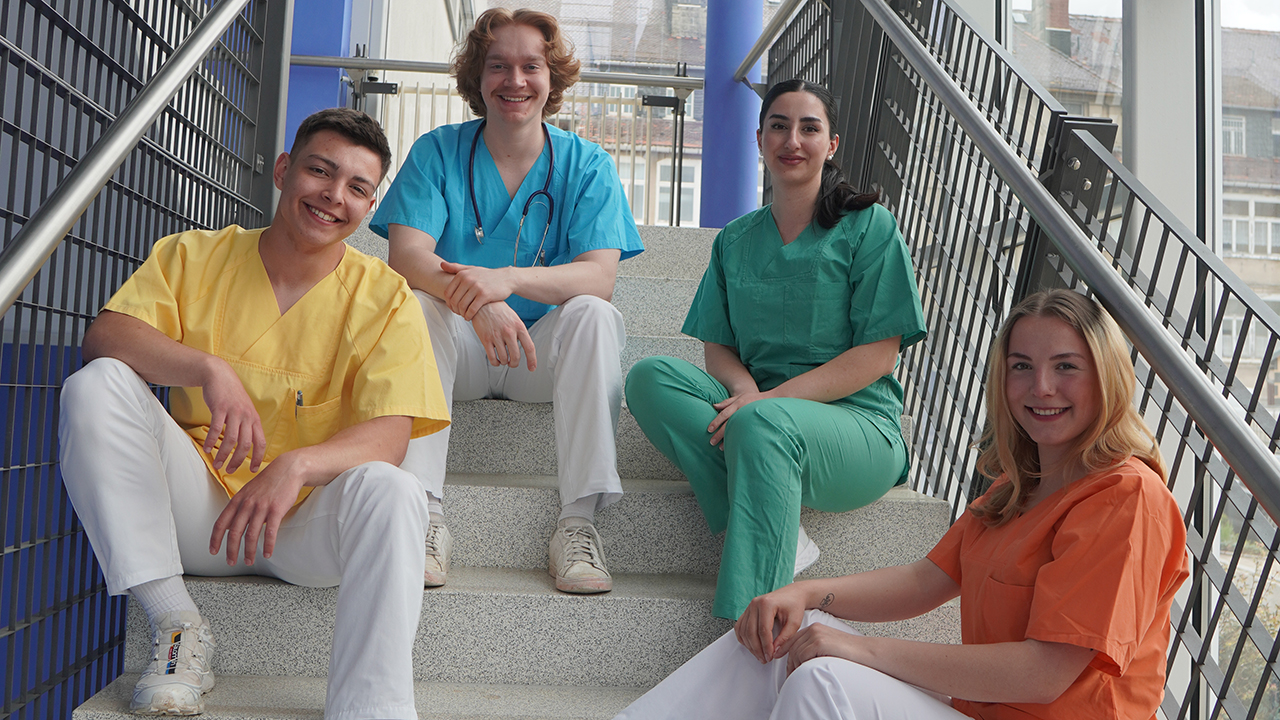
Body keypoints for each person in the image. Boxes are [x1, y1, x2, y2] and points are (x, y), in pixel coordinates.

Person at [615, 289, 1191, 720]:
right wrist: (803, 593)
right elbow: (925, 579)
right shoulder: (1016, 490)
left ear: (1107, 377)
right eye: (1022, 366)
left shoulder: (1126, 497)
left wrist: (860, 649)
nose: (1041, 387)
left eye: (1066, 366)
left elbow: (1044, 673)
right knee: (790, 626)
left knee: (826, 681)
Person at [58, 108, 450, 718]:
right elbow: (106, 336)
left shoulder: (385, 295)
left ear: (371, 207)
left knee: (396, 490)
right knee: (97, 384)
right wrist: (206, 370)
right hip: (199, 513)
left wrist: (297, 466)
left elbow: (393, 433)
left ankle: (370, 707)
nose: (333, 196)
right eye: (320, 171)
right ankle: (177, 625)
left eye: (357, 188)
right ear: (284, 170)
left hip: (304, 528)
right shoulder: (194, 255)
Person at [624, 79, 927, 620]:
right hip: (759, 416)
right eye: (779, 126)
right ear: (759, 139)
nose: (793, 139)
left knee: (759, 424)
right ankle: (785, 541)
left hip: (856, 429)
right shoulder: (735, 239)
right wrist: (746, 392)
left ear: (831, 145)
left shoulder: (869, 227)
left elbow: (878, 357)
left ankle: (747, 636)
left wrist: (768, 404)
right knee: (650, 378)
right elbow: (718, 348)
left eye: (810, 128)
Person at [370, 7, 643, 594]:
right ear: (478, 77)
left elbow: (598, 277)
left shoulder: (586, 165)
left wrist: (510, 281)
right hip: (459, 352)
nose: (514, 81)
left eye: (530, 66)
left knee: (595, 315)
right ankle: (422, 511)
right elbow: (408, 257)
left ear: (553, 78)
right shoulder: (438, 152)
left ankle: (578, 522)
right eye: (498, 66)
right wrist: (480, 303)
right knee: (415, 306)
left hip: (536, 357)